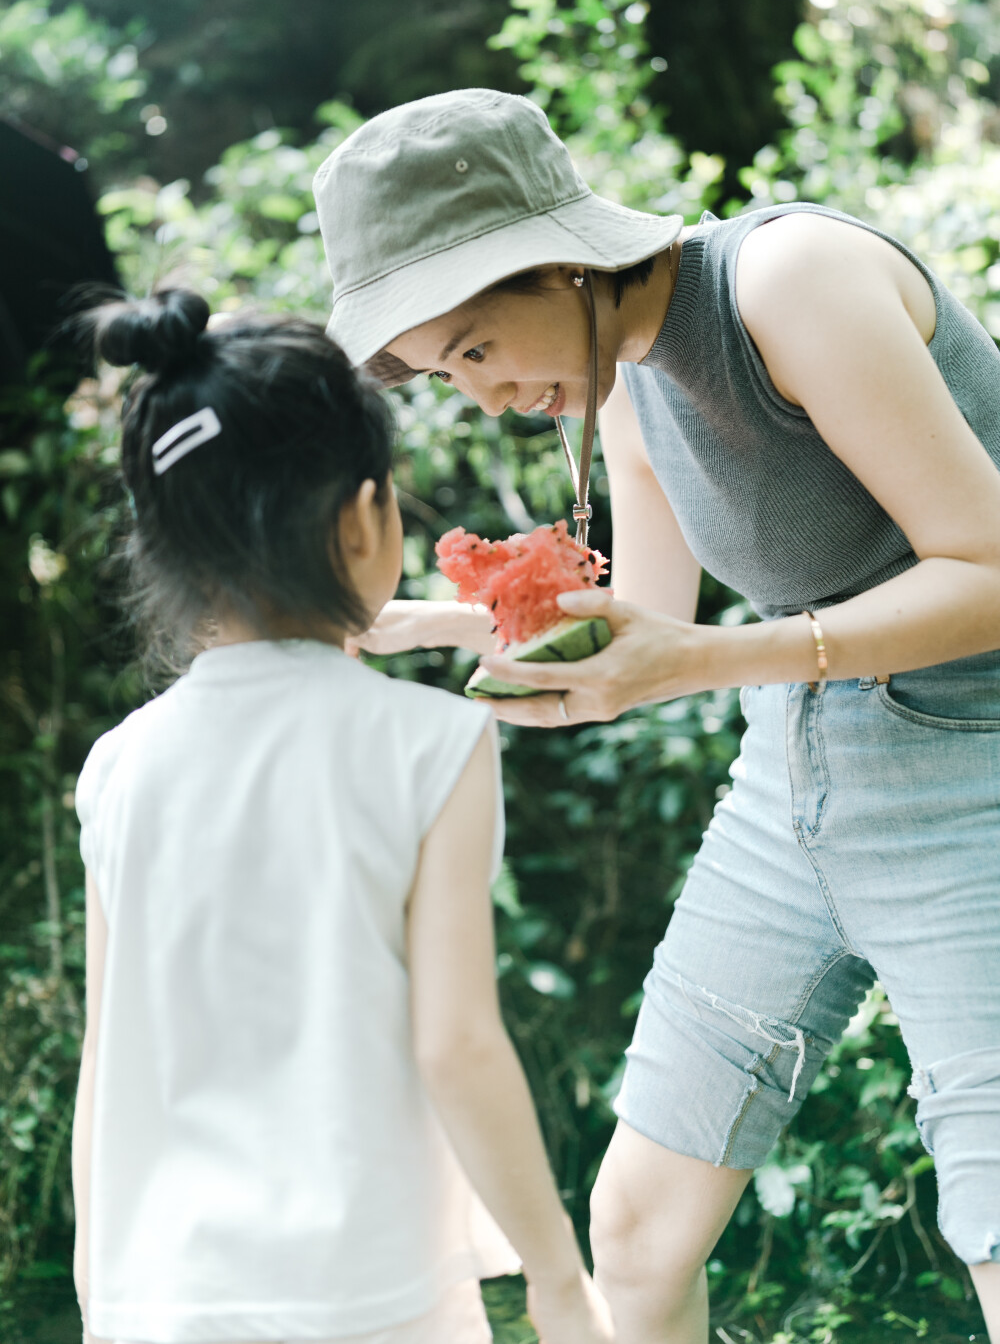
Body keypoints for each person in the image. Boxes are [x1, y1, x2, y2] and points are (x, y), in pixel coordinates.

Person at [312, 87, 1000, 1344]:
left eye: (472, 346)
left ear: (557, 260)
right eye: (438, 372)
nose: (477, 393)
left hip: (973, 776)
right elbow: (646, 617)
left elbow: (990, 572)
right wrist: (418, 622)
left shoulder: (789, 280)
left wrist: (695, 664)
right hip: (789, 785)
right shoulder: (621, 373)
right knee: (635, 1231)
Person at [69, 290, 613, 1344]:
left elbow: (109, 1055)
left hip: (158, 1293)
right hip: (371, 1288)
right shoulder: (431, 744)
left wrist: (103, 1288)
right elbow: (455, 1043)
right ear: (363, 519)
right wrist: (554, 1273)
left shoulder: (115, 768)